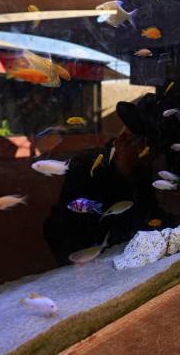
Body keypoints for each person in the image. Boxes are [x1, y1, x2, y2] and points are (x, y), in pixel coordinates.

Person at [43, 93, 166, 265]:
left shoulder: (142, 172)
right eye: (148, 146)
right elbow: (58, 229)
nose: (153, 156)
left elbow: (151, 214)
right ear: (123, 140)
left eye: (156, 150)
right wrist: (79, 262)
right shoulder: (87, 167)